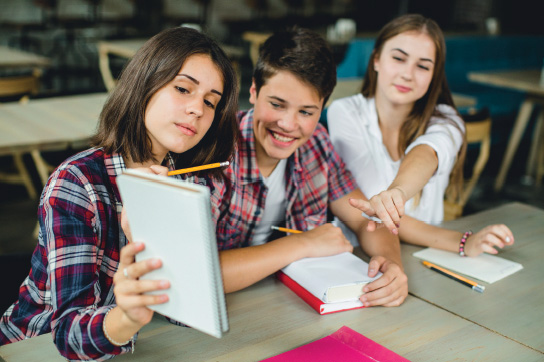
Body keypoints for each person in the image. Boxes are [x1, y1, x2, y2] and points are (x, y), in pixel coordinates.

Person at [0, 26, 239, 361]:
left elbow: (181, 311)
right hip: (32, 347)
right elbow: (68, 337)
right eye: (184, 89)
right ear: (144, 85)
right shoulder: (76, 183)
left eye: (210, 102)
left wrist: (156, 241)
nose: (197, 109)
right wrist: (126, 318)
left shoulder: (192, 185)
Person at [213, 27, 408, 308]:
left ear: (322, 108)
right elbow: (199, 273)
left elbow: (366, 222)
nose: (289, 125)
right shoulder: (213, 150)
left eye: (306, 112)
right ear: (254, 90)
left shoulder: (316, 144)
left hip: (289, 306)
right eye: (277, 105)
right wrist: (304, 243)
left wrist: (392, 267)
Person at [328, 14, 513, 256]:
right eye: (398, 58)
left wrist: (398, 193)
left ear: (434, 74)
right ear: (376, 60)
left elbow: (426, 153)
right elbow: (375, 212)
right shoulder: (344, 112)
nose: (408, 74)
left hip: (428, 253)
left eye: (423, 66)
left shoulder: (448, 120)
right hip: (359, 254)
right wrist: (461, 241)